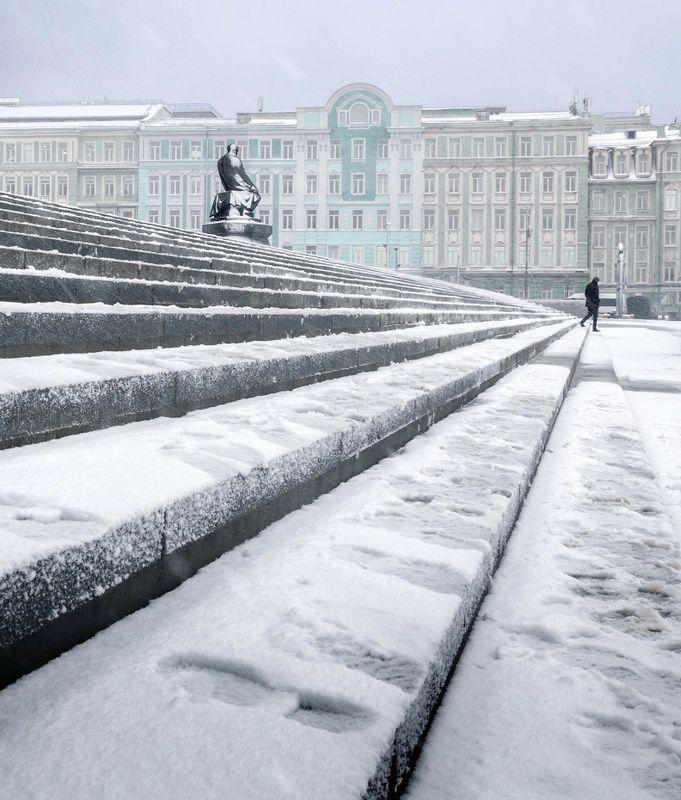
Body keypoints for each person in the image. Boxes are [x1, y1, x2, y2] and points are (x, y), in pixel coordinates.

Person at [215, 144, 261, 217]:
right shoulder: (234, 158)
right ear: (234, 150)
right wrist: (252, 186)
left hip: (229, 185)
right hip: (237, 183)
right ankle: (245, 211)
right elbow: (243, 174)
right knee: (256, 195)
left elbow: (222, 176)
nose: (235, 151)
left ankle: (241, 210)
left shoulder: (221, 160)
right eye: (235, 150)